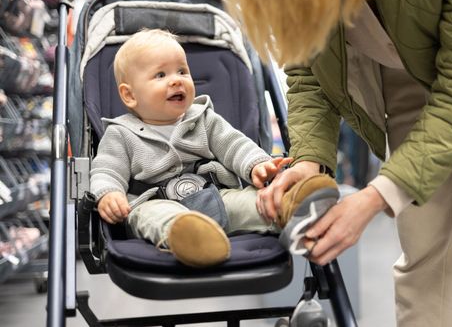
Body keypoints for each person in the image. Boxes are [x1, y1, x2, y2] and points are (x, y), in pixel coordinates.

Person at [224, 0, 452, 326]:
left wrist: (376, 197)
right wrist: (310, 159)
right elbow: (309, 67)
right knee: (422, 254)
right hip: (401, 65)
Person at [89, 29, 336, 268]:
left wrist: (257, 165)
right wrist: (109, 194)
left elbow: (234, 145)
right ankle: (191, 239)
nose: (177, 79)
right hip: (154, 203)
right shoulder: (120, 133)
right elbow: (107, 170)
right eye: (161, 75)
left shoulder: (204, 118)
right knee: (153, 218)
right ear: (129, 95)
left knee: (256, 202)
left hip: (216, 196)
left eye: (182, 71)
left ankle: (292, 205)